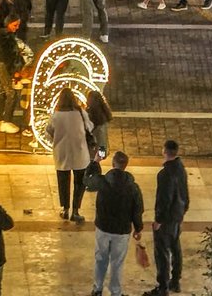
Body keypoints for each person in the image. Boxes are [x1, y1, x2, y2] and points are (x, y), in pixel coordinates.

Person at [84, 149, 143, 296]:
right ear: (126, 166)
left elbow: (87, 181)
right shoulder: (133, 187)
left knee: (100, 259)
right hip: (122, 231)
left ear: (112, 163)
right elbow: (137, 209)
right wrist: (138, 228)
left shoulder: (103, 181)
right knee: (117, 262)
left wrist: (96, 162)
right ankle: (116, 292)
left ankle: (97, 289)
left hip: (103, 228)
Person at [144, 141, 190, 296]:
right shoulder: (180, 168)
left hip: (167, 219)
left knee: (162, 252)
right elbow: (184, 193)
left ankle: (163, 287)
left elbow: (164, 199)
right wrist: (183, 210)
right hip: (178, 215)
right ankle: (175, 281)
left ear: (164, 151)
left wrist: (158, 220)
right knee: (176, 247)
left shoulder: (164, 174)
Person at [48, 87, 92, 224]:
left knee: (63, 182)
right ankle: (76, 211)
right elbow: (89, 127)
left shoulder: (56, 115)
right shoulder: (80, 113)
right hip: (80, 153)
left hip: (62, 153)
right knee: (80, 183)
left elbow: (48, 132)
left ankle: (65, 209)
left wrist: (55, 142)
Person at [0, 15, 25, 135]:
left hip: (0, 65)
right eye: (15, 25)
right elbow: (9, 55)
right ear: (8, 24)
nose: (17, 27)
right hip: (3, 65)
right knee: (11, 93)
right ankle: (6, 120)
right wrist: (15, 68)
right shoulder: (6, 38)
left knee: (1, 91)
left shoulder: (0, 35)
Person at [86, 90, 113, 159]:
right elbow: (102, 140)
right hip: (98, 151)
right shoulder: (104, 114)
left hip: (91, 149)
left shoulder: (89, 114)